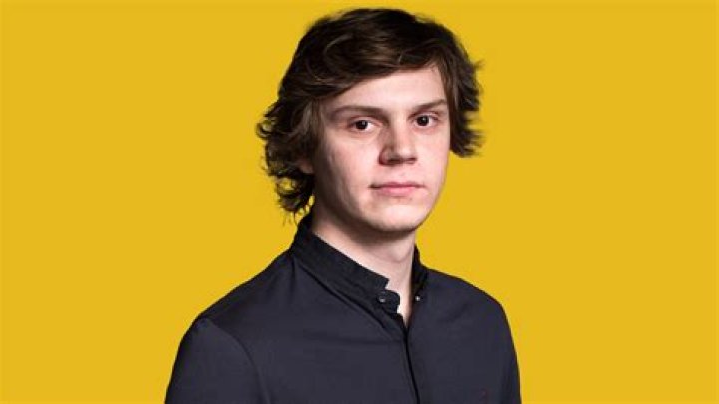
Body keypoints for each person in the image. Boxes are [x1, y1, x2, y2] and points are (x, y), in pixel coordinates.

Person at [165, 7, 521, 404]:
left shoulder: (482, 323)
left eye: (424, 120)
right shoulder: (231, 349)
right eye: (362, 124)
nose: (402, 150)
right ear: (303, 146)